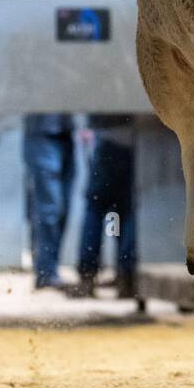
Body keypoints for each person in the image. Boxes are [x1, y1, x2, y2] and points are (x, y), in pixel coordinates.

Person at [69, 114, 137, 299]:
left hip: (106, 139)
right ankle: (127, 276)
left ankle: (88, 275)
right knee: (125, 210)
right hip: (135, 138)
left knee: (97, 208)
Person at [23, 113, 75, 290]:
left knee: (62, 208)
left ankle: (50, 268)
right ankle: (45, 271)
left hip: (67, 131)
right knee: (49, 207)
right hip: (41, 132)